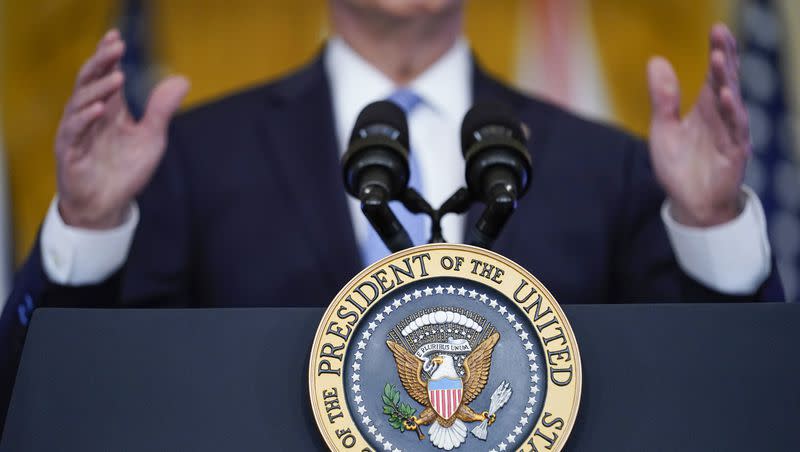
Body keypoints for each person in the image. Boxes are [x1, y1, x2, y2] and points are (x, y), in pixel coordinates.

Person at [0, 0, 783, 432]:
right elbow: (70, 409)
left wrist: (712, 224)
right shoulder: (192, 156)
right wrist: (88, 227)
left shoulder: (606, 162)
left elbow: (729, 414)